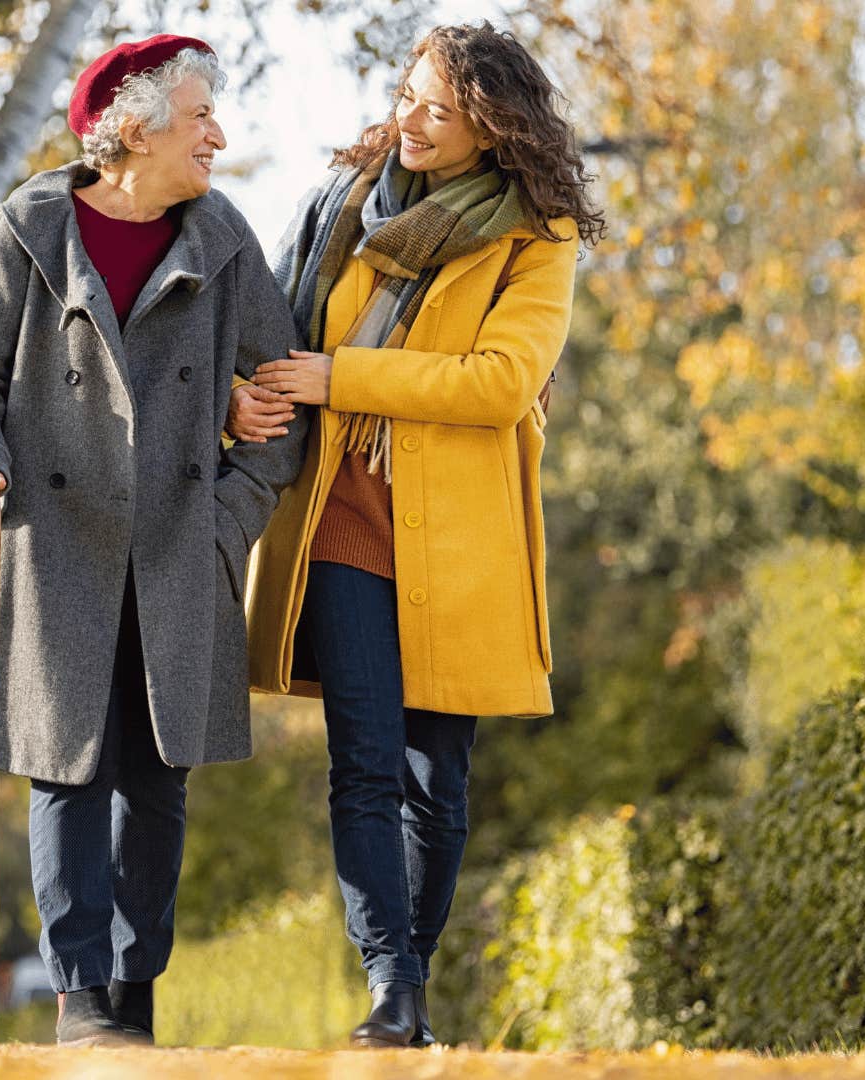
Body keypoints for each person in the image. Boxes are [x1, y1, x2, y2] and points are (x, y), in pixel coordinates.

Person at [225, 21, 606, 1049]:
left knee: (439, 780)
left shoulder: (537, 238)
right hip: (341, 514)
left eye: (440, 109)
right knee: (366, 761)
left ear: (493, 128)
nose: (412, 120)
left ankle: (412, 984)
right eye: (407, 95)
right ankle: (392, 990)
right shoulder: (342, 206)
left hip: (460, 540)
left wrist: (343, 377)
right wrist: (244, 397)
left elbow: (498, 383)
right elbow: (272, 335)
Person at [0, 34, 310, 1047]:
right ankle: (82, 997)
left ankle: (136, 995)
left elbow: (283, 400)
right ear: (133, 133)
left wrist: (227, 524)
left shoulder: (222, 237)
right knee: (68, 769)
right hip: (53, 543)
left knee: (156, 776)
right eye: (199, 120)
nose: (218, 137)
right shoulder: (29, 229)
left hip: (179, 548)